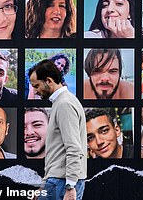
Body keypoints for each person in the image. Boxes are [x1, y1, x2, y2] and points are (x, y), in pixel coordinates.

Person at [28, 60, 87, 200]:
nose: (35, 91)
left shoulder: (64, 104)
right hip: (58, 181)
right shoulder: (62, 102)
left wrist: (70, 186)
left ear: (48, 81)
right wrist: (44, 186)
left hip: (62, 183)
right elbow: (57, 152)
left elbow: (73, 148)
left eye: (36, 86)